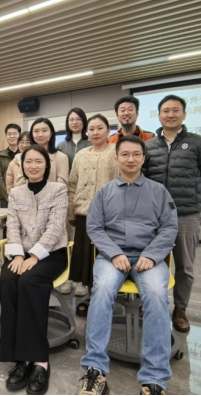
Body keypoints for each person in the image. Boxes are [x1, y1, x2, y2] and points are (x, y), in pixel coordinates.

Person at [77, 135, 178, 396]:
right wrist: (113, 253)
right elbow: (94, 227)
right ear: (116, 158)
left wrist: (152, 255)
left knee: (156, 294)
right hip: (113, 258)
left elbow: (169, 228)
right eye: (125, 154)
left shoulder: (159, 191)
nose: (130, 159)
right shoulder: (104, 192)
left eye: (136, 154)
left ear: (143, 158)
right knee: (101, 291)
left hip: (148, 258)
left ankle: (154, 378)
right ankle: (95, 370)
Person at [143, 94, 201, 333]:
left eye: (176, 110)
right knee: (152, 261)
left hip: (186, 215)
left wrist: (192, 202)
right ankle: (153, 303)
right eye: (166, 111)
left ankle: (180, 309)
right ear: (159, 115)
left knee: (184, 266)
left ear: (184, 114)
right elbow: (143, 179)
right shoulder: (149, 146)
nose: (170, 115)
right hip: (154, 217)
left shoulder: (199, 143)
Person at [0, 145, 68, 395]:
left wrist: (35, 256)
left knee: (29, 282)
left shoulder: (58, 189)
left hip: (51, 253)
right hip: (22, 252)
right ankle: (20, 358)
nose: (33, 166)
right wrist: (19, 254)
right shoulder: (16, 192)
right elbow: (12, 225)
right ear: (22, 165)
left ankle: (39, 360)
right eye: (28, 161)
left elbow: (55, 228)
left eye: (39, 161)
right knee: (7, 279)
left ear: (46, 165)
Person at [62, 115, 119, 302]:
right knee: (86, 260)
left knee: (104, 260)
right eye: (92, 129)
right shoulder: (81, 155)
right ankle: (91, 297)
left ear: (108, 130)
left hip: (109, 217)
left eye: (100, 128)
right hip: (84, 215)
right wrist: (71, 212)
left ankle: (105, 298)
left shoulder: (116, 152)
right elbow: (72, 184)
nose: (95, 132)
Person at [0, 123, 21, 238]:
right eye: (9, 134)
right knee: (7, 224)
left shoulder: (24, 154)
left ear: (19, 135)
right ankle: (6, 247)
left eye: (15, 133)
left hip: (22, 196)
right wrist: (6, 195)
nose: (12, 136)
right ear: (6, 136)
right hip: (6, 197)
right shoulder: (0, 156)